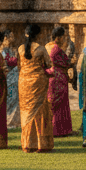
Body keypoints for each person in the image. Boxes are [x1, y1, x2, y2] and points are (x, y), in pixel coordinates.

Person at [18, 22, 54, 153]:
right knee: (40, 112)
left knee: (26, 112)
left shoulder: (20, 48)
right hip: (38, 82)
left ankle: (28, 143)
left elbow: (18, 64)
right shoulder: (41, 49)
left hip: (23, 82)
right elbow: (49, 65)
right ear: (38, 35)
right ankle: (42, 144)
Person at [46, 24, 74, 137]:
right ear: (59, 37)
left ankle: (51, 130)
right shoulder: (56, 49)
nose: (64, 39)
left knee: (52, 104)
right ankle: (60, 130)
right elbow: (66, 62)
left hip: (50, 78)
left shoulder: (47, 46)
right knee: (60, 105)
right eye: (64, 37)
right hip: (58, 78)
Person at [1, 28, 21, 128]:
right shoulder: (2, 50)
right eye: (11, 36)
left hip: (14, 77)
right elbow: (6, 63)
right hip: (7, 77)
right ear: (5, 38)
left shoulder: (12, 49)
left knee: (15, 99)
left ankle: (13, 121)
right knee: (9, 99)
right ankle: (7, 121)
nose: (13, 38)